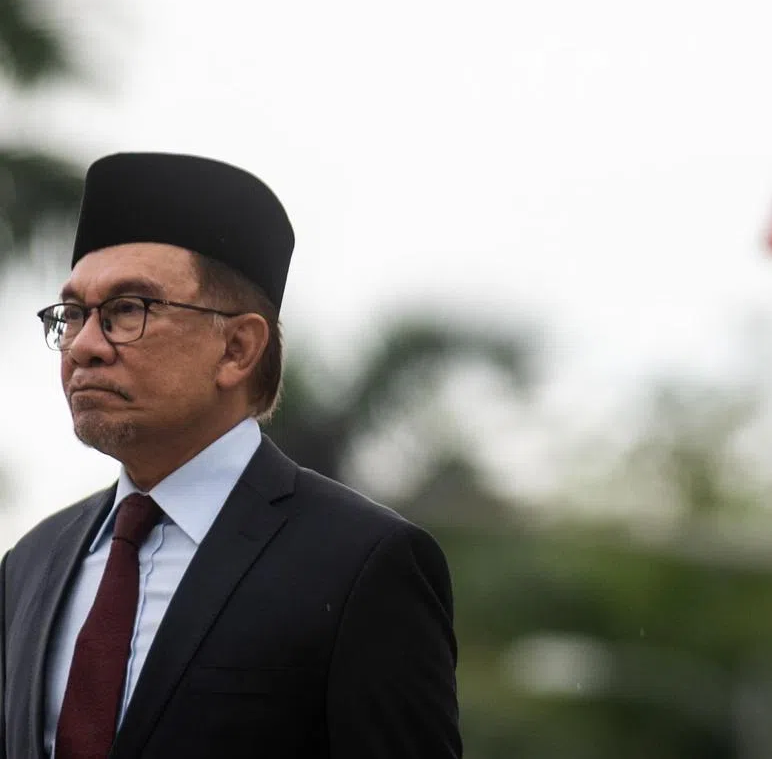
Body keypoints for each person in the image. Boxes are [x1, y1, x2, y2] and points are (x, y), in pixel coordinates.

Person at [0, 152, 462, 759]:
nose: (84, 346)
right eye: (75, 315)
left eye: (127, 310)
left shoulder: (360, 566)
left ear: (238, 349)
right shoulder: (31, 564)